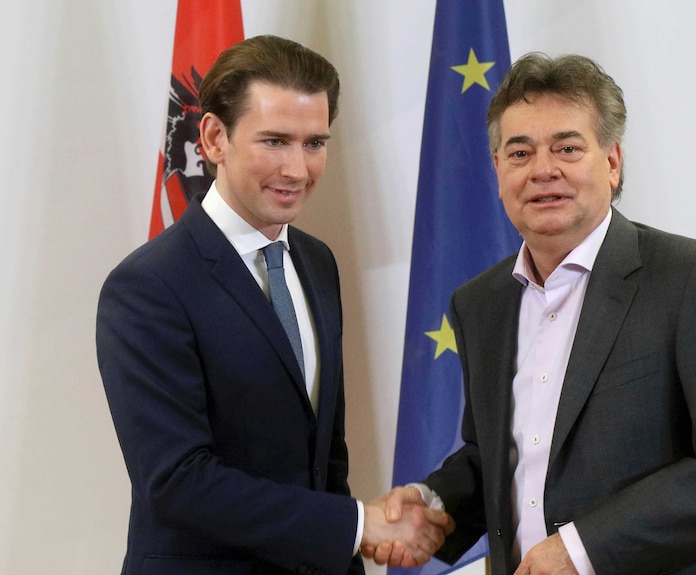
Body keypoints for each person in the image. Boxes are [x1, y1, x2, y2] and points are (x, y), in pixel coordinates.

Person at [370, 53, 696, 575]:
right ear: (498, 170)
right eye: (520, 152)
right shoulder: (480, 303)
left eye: (568, 148)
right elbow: (507, 458)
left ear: (612, 161)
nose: (543, 170)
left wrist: (583, 549)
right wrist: (433, 505)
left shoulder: (695, 279)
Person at [97, 35, 451, 575]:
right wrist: (359, 525)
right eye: (275, 141)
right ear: (215, 138)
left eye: (314, 143)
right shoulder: (148, 287)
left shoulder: (316, 262)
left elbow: (324, 457)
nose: (297, 169)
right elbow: (177, 481)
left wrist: (353, 542)